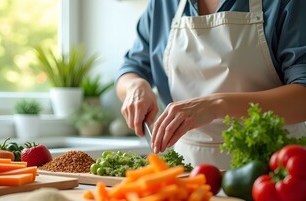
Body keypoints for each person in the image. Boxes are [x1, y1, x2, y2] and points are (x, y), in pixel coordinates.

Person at [116, 0, 306, 169]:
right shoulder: (163, 4)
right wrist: (135, 87)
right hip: (187, 170)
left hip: (273, 170)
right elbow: (131, 68)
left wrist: (216, 105)